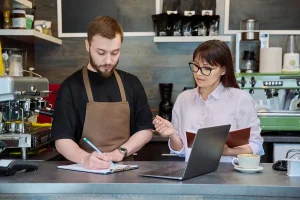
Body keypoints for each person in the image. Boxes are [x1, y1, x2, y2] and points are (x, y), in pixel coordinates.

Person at [51, 16, 153, 169]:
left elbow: (145, 129)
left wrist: (121, 152)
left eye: (115, 52)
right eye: (101, 52)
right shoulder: (70, 87)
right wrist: (85, 158)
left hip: (125, 171)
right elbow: (62, 139)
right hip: (83, 172)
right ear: (88, 45)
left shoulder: (132, 83)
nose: (108, 61)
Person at [153, 40, 264, 162]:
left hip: (228, 177)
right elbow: (182, 151)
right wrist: (172, 134)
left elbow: (256, 145)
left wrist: (228, 151)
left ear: (223, 70)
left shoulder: (240, 99)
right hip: (192, 176)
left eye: (207, 68)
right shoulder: (183, 99)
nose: (199, 73)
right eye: (196, 66)